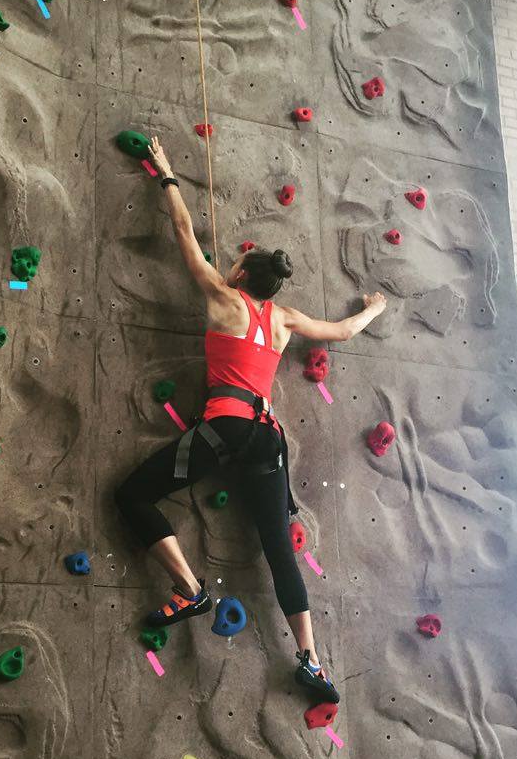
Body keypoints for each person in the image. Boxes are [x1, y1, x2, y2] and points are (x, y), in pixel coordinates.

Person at [115, 136, 387, 704]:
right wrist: (372, 310)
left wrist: (165, 173)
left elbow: (186, 235)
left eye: (234, 261)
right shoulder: (284, 318)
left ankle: (190, 588)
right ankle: (311, 660)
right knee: (277, 549)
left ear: (240, 272)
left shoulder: (222, 298)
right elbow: (338, 334)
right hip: (268, 440)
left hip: (228, 429)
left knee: (133, 496)